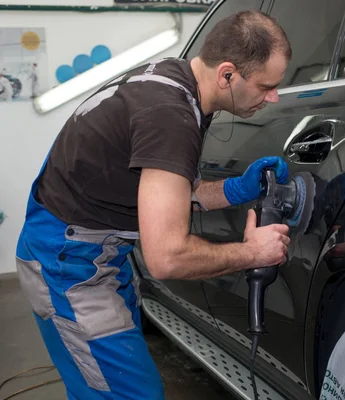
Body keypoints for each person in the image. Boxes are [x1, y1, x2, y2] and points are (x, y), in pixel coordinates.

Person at [15, 10, 292, 400]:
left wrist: (234, 189)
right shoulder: (171, 116)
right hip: (67, 264)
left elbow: (167, 192)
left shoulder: (173, 79)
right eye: (266, 85)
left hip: (90, 250)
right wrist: (252, 252)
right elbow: (166, 258)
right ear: (227, 75)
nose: (274, 96)